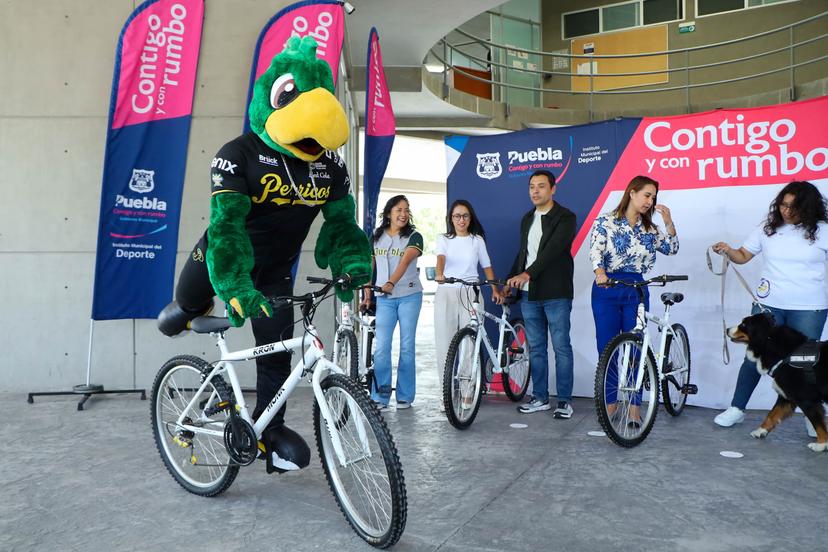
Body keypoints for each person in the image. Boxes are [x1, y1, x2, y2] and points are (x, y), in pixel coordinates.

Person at [156, 37, 371, 474]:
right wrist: (232, 283)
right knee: (188, 304)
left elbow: (341, 223)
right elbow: (227, 227)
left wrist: (352, 263)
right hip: (221, 260)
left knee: (275, 353)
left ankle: (269, 433)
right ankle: (186, 311)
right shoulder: (237, 155)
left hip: (274, 272)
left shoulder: (330, 167)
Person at [712, 180, 828, 435]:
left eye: (794, 207)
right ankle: (737, 409)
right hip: (768, 306)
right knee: (752, 358)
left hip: (810, 307)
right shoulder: (768, 229)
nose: (786, 211)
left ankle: (813, 416)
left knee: (804, 364)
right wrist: (729, 251)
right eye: (783, 205)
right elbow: (743, 255)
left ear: (808, 208)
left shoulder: (823, 230)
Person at [589, 175, 678, 424]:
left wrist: (668, 222)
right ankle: (610, 403)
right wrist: (600, 272)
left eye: (653, 197)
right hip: (607, 288)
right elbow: (595, 250)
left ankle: (635, 406)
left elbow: (672, 248)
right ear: (632, 192)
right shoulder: (606, 221)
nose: (650, 201)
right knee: (607, 349)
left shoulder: (650, 228)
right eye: (646, 195)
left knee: (635, 348)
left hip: (636, 290)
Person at [506, 170, 576, 418]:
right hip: (529, 295)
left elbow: (552, 251)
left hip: (556, 292)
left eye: (541, 187)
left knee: (561, 348)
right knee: (536, 349)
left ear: (553, 189)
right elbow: (524, 253)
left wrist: (527, 274)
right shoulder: (527, 218)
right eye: (531, 187)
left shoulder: (565, 217)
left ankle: (565, 401)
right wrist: (511, 279)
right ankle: (540, 398)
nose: (535, 191)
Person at [435, 200, 504, 408]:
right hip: (447, 292)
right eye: (457, 216)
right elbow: (441, 258)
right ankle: (445, 393)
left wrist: (494, 289)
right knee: (444, 345)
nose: (461, 220)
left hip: (471, 294)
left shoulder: (477, 240)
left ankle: (468, 391)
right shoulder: (443, 239)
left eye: (465, 216)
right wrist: (439, 273)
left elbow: (487, 266)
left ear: (470, 218)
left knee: (469, 345)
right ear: (451, 219)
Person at [360, 195, 424, 410]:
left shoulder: (415, 237)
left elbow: (406, 261)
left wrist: (390, 282)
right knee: (382, 348)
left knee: (406, 346)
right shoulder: (376, 237)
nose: (403, 214)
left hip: (409, 296)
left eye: (406, 210)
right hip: (384, 299)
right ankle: (381, 395)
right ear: (389, 213)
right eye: (398, 210)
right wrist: (367, 295)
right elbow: (369, 267)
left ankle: (405, 396)